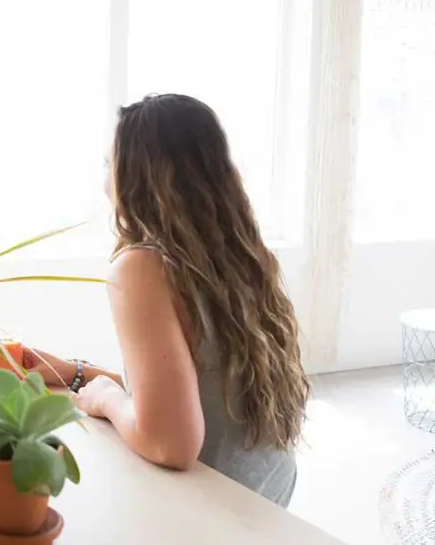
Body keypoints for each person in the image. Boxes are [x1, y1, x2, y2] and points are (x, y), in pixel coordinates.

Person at [23, 94, 309, 508]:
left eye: (109, 164)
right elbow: (197, 392)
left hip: (205, 514)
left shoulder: (141, 267)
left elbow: (170, 443)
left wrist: (105, 397)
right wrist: (78, 372)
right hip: (266, 504)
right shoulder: (241, 257)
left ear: (137, 176)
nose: (105, 182)